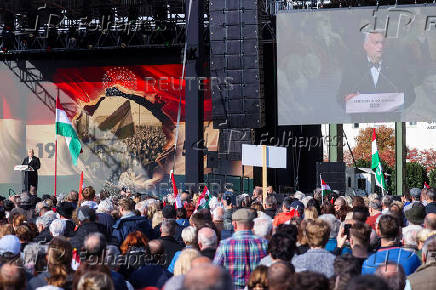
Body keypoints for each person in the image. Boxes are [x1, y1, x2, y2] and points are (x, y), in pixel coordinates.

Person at [337, 31, 416, 122]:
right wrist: (349, 100)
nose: (380, 46)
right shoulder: (352, 68)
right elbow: (340, 97)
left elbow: (410, 95)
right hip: (362, 124)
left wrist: (396, 103)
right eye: (376, 43)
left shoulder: (396, 67)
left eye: (382, 43)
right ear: (365, 46)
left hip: (390, 124)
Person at [213, 208, 268, 289]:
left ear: (234, 224)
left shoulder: (225, 245)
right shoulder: (264, 243)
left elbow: (215, 271)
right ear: (253, 225)